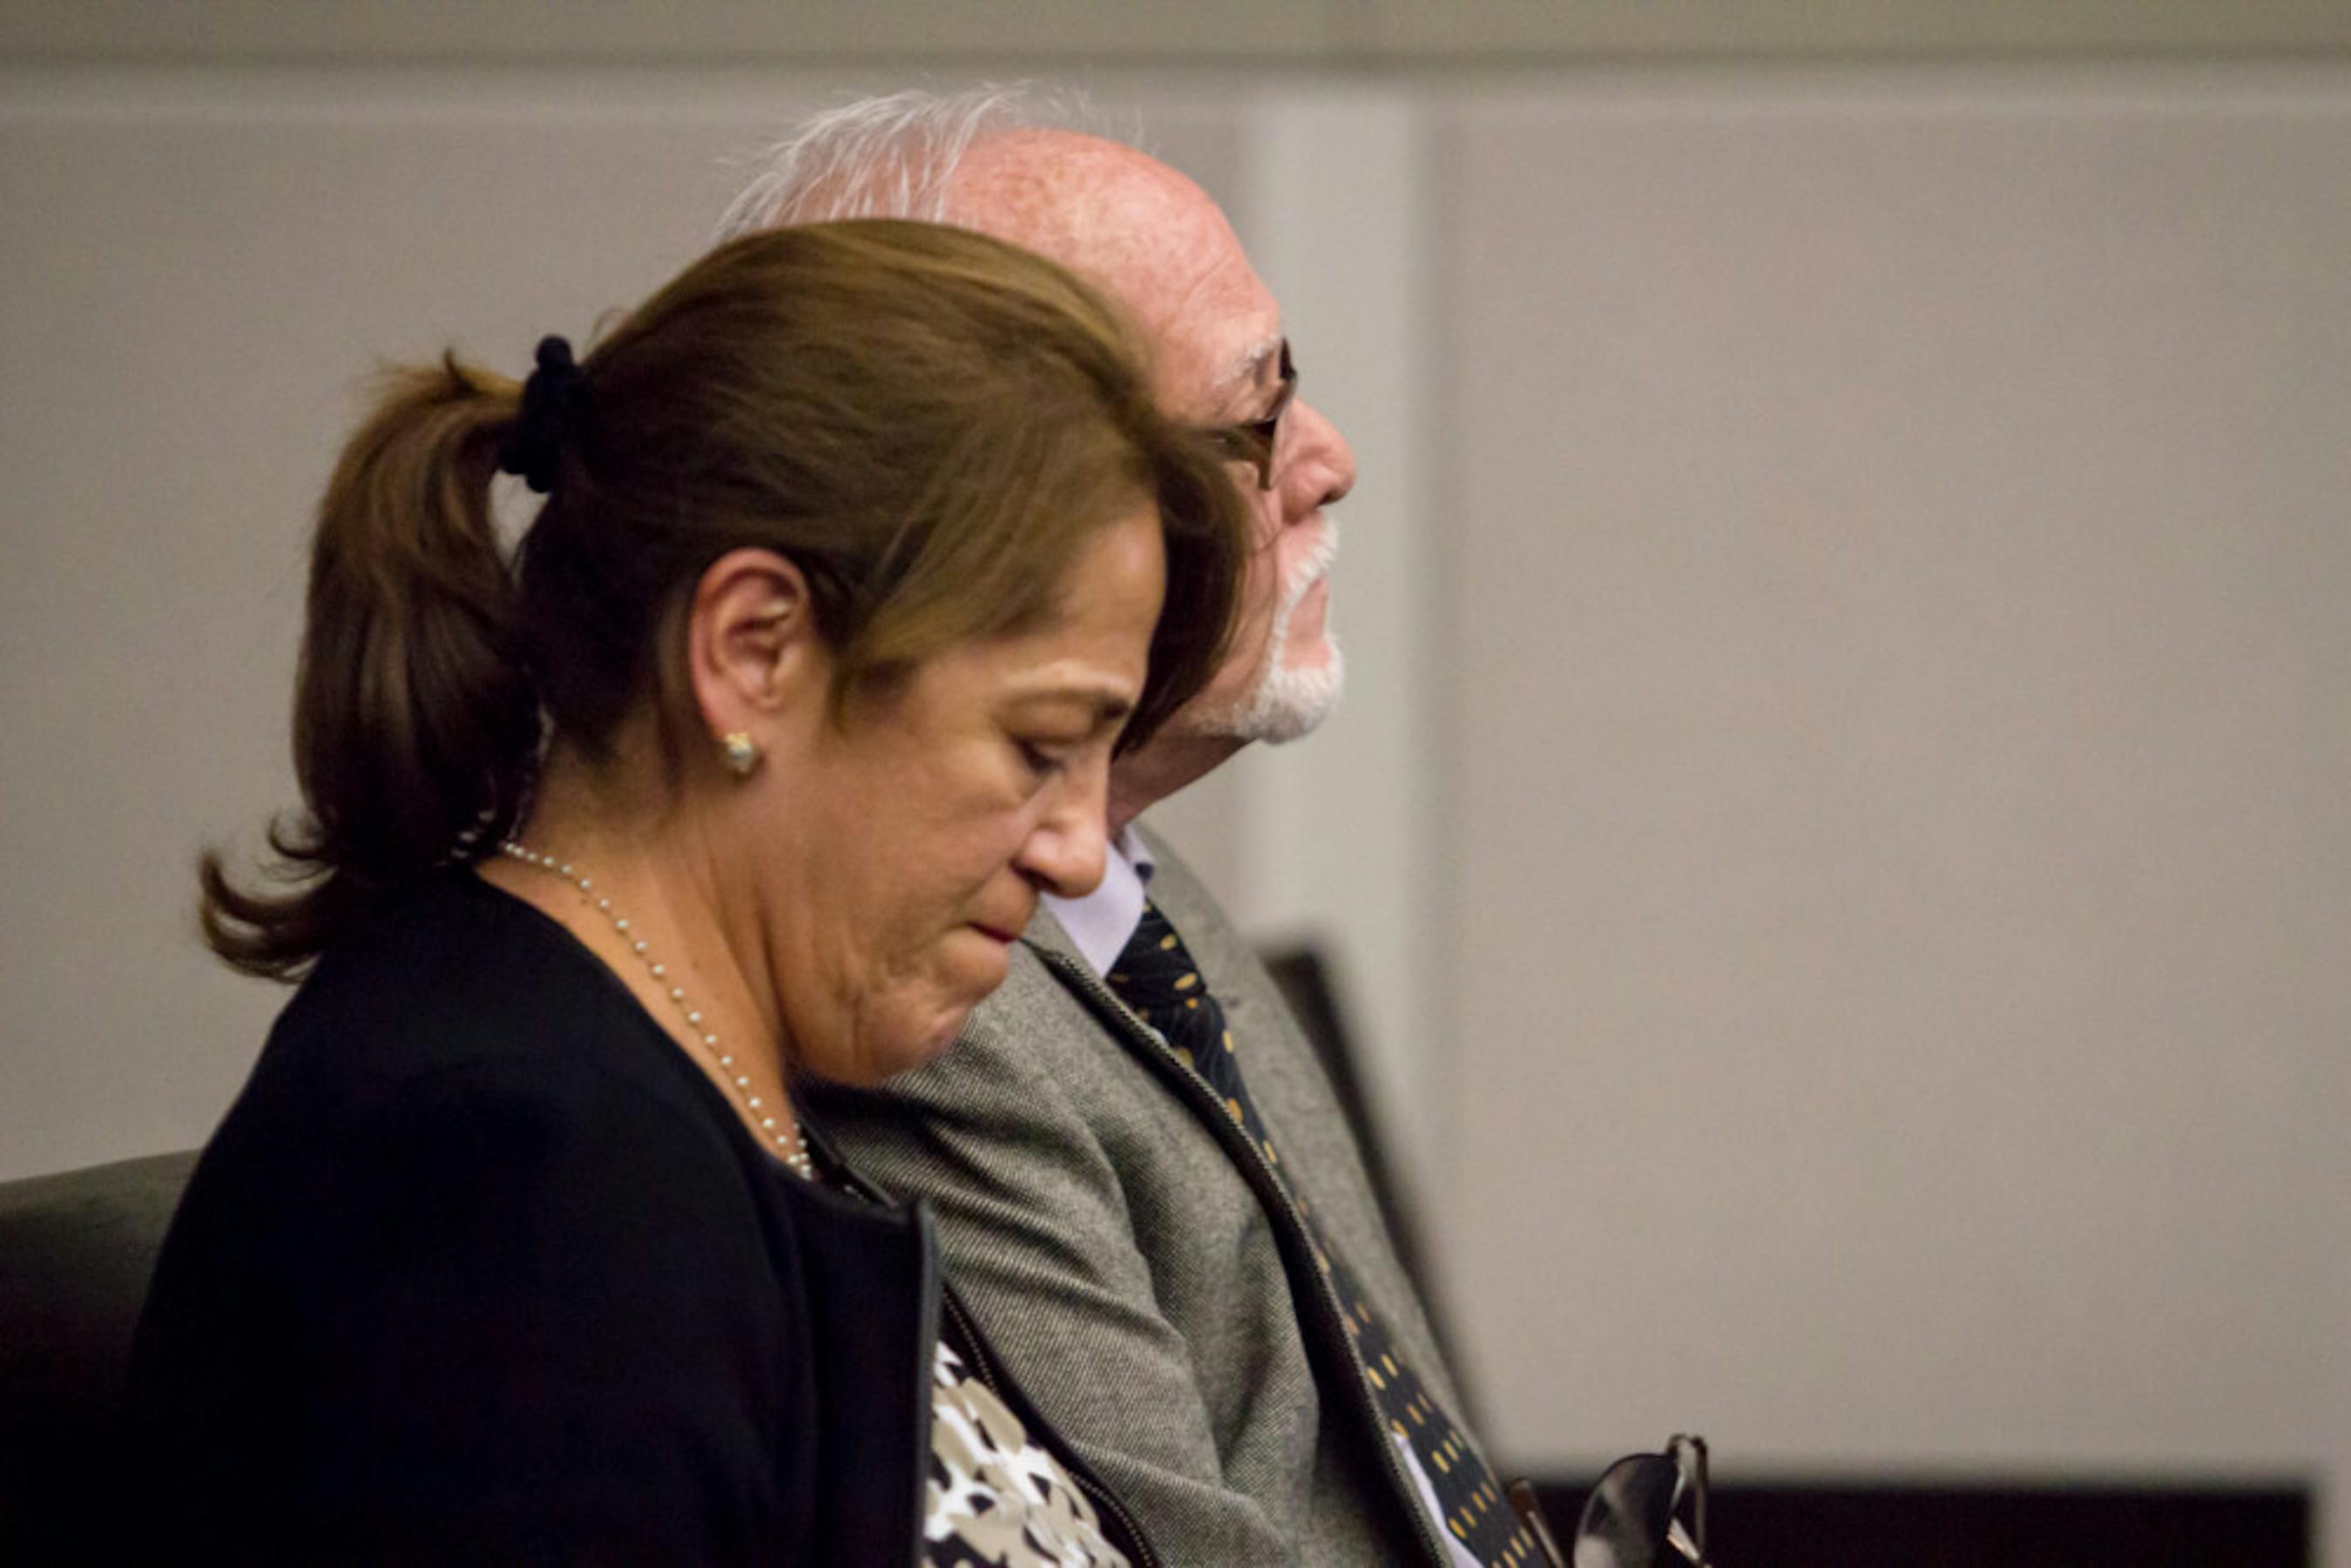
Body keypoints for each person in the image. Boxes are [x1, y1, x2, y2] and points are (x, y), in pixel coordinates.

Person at [121, 219, 1249, 1563]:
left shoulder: (685, 1097)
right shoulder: (523, 1182)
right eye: (1040, 745)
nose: (1079, 852)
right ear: (753, 651)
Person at [720, 91, 1547, 1567]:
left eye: (1298, 383)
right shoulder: (926, 1001)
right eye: (1254, 418)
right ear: (961, 509)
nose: (1330, 459)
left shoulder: (1150, 904)